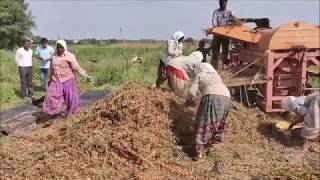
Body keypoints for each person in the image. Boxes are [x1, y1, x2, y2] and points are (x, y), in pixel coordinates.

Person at [185, 63, 231, 160]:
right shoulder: (217, 75)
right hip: (227, 97)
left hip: (211, 97)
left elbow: (191, 92)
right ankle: (213, 146)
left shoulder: (200, 75)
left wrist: (187, 101)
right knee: (220, 121)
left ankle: (199, 153)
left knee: (205, 121)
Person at [43, 40, 90, 116]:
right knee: (51, 96)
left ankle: (71, 113)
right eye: (58, 47)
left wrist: (84, 75)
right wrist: (49, 78)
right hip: (56, 79)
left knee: (70, 98)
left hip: (68, 79)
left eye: (61, 47)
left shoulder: (70, 56)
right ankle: (57, 110)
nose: (59, 49)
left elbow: (76, 67)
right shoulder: (54, 56)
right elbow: (51, 68)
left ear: (65, 47)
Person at [210, 0, 236, 69]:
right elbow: (214, 23)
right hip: (217, 34)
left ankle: (224, 66)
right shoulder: (216, 12)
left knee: (225, 51)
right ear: (220, 3)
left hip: (226, 35)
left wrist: (234, 20)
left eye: (225, 3)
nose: (223, 4)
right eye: (222, 3)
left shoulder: (230, 12)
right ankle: (214, 67)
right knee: (215, 52)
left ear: (226, 3)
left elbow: (234, 20)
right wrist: (218, 29)